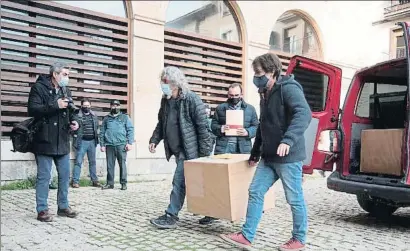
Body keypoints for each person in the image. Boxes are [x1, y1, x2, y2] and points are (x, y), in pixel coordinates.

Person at [220, 53, 312, 251]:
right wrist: (255, 153)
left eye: (259, 73)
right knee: (255, 191)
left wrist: (288, 140)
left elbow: (304, 114)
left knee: (294, 199)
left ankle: (299, 239)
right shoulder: (264, 92)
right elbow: (264, 124)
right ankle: (246, 235)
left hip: (288, 157)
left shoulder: (289, 89)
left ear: (272, 71)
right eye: (255, 73)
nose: (256, 77)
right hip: (269, 157)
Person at [149, 66, 212, 229]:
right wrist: (154, 139)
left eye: (166, 82)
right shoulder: (166, 100)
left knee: (179, 181)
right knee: (195, 183)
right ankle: (211, 212)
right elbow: (161, 123)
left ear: (175, 83)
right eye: (162, 81)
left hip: (190, 150)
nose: (163, 85)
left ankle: (171, 215)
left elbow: (203, 128)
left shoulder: (192, 99)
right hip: (177, 150)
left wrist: (205, 155)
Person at [199, 83, 259, 225]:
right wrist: (220, 128)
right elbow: (212, 126)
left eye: (236, 96)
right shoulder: (221, 108)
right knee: (217, 182)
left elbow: (257, 126)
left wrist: (248, 132)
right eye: (231, 96)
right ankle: (212, 214)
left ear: (241, 95)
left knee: (242, 182)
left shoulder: (250, 109)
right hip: (223, 148)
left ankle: (241, 212)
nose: (233, 98)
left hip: (242, 149)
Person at [28, 62, 80, 222]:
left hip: (62, 140)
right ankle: (42, 210)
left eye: (68, 75)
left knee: (64, 175)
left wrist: (75, 122)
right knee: (44, 176)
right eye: (65, 74)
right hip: (44, 139)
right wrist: (54, 105)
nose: (67, 78)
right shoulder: (38, 87)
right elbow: (32, 109)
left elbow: (71, 111)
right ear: (55, 74)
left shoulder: (66, 89)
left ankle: (63, 207)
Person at [99, 100, 134, 191]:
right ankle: (110, 183)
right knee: (110, 165)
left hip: (121, 145)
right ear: (110, 106)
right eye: (113, 105)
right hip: (109, 145)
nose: (115, 107)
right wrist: (102, 144)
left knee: (122, 164)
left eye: (117, 105)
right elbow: (102, 132)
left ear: (119, 106)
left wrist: (129, 143)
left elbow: (130, 130)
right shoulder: (106, 118)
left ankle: (123, 183)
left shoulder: (124, 117)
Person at [71, 98, 101, 188]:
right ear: (81, 106)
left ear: (90, 106)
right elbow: (72, 127)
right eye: (84, 106)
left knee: (93, 162)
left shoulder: (94, 115)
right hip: (82, 142)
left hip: (92, 142)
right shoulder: (77, 115)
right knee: (78, 162)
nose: (86, 107)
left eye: (88, 106)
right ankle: (75, 181)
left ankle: (94, 181)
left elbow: (97, 128)